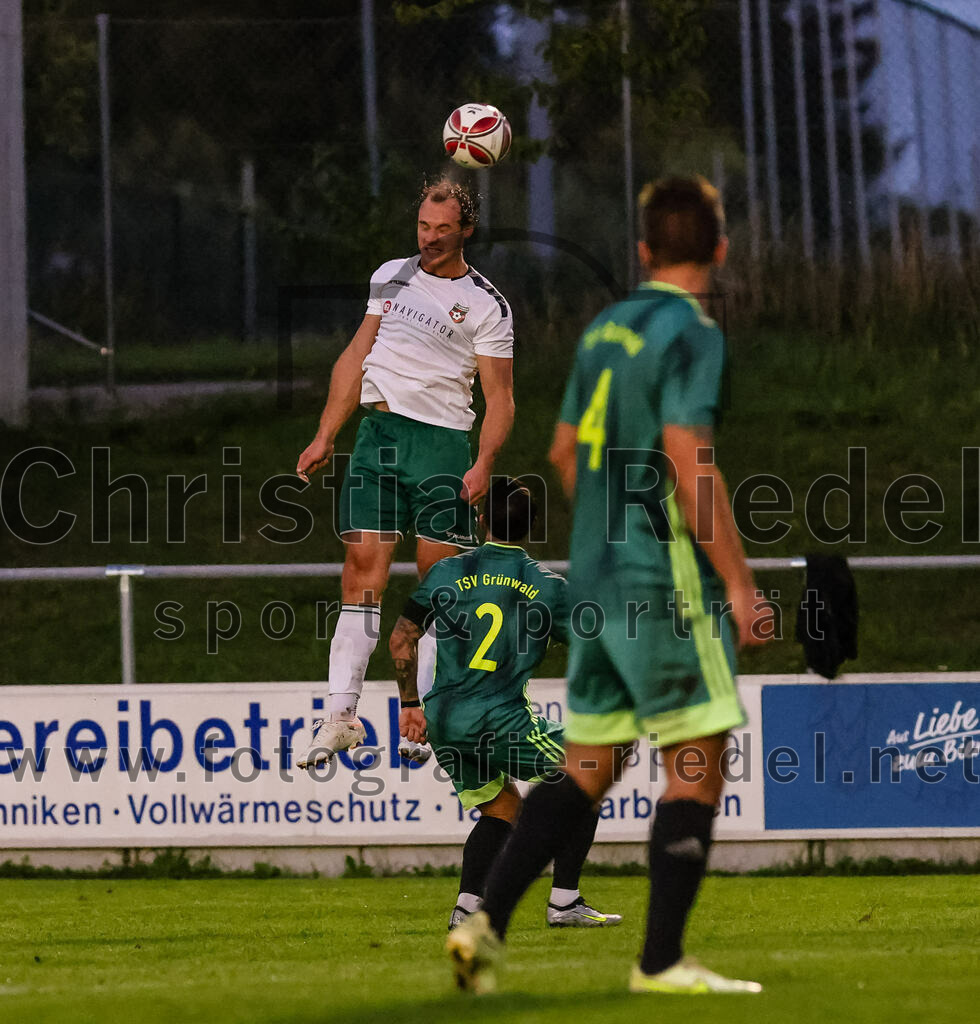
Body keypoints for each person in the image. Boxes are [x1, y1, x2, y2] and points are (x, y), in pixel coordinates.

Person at [447, 176, 773, 995]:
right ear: (720, 250)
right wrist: (737, 582)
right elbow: (689, 458)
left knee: (589, 763)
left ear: (643, 252)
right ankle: (661, 962)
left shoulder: (604, 328)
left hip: (591, 579)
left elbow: (562, 453)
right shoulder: (689, 330)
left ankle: (483, 922)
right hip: (656, 578)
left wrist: (600, 539)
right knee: (697, 759)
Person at [295, 177, 515, 769]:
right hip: (378, 439)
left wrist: (484, 462)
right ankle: (342, 716)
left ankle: (430, 717)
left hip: (442, 447)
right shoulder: (391, 275)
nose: (430, 239)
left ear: (466, 231)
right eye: (423, 226)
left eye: (443, 230)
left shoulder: (488, 304)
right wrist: (325, 435)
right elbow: (355, 355)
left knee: (436, 585)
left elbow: (501, 399)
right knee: (359, 572)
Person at [389, 477, 621, 931]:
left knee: (501, 810)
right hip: (498, 715)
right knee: (589, 774)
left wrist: (410, 704)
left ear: (480, 520)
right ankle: (564, 902)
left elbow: (402, 638)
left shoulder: (446, 571)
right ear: (532, 526)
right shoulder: (549, 587)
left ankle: (467, 909)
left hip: (443, 717)